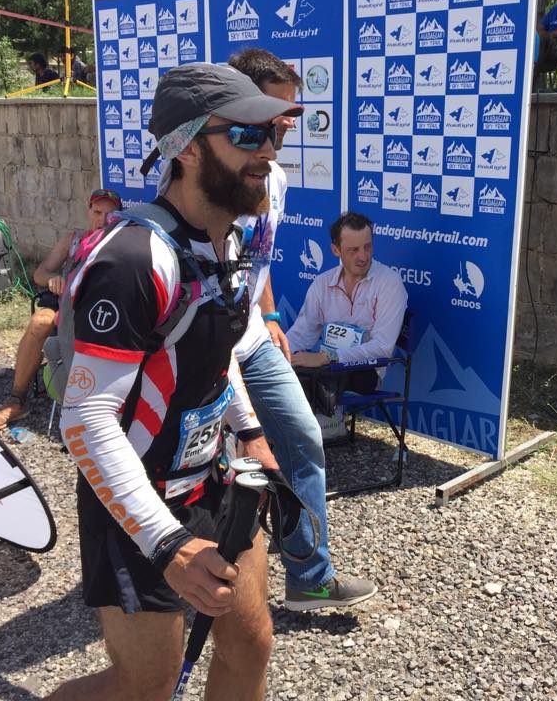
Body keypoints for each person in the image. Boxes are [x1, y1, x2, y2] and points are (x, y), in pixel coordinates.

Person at [46, 62, 303, 701]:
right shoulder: (134, 260)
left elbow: (215, 358)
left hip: (212, 478)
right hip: (138, 500)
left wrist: (250, 432)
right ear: (185, 148)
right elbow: (85, 418)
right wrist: (169, 546)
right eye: (247, 135)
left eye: (274, 133)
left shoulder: (227, 241)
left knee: (251, 641)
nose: (268, 152)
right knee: (146, 684)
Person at [226, 48, 379, 612]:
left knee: (302, 439)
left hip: (252, 337)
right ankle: (195, 575)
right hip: (205, 344)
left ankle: (309, 578)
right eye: (275, 113)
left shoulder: (277, 177)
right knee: (216, 461)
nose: (286, 126)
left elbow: (259, 258)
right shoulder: (213, 179)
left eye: (290, 114)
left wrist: (268, 317)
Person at [0, 189, 122, 430]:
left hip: (99, 309)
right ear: (89, 212)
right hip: (64, 303)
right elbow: (40, 273)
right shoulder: (73, 239)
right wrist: (52, 279)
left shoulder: (122, 243)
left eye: (109, 214)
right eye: (97, 212)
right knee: (40, 322)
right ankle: (16, 400)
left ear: (118, 216)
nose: (102, 220)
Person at [286, 213, 408, 394]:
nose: (363, 256)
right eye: (354, 250)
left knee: (313, 381)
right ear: (336, 250)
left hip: (364, 371)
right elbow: (301, 333)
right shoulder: (322, 283)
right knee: (286, 374)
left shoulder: (389, 283)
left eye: (367, 247)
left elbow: (382, 348)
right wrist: (279, 356)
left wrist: (329, 357)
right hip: (326, 367)